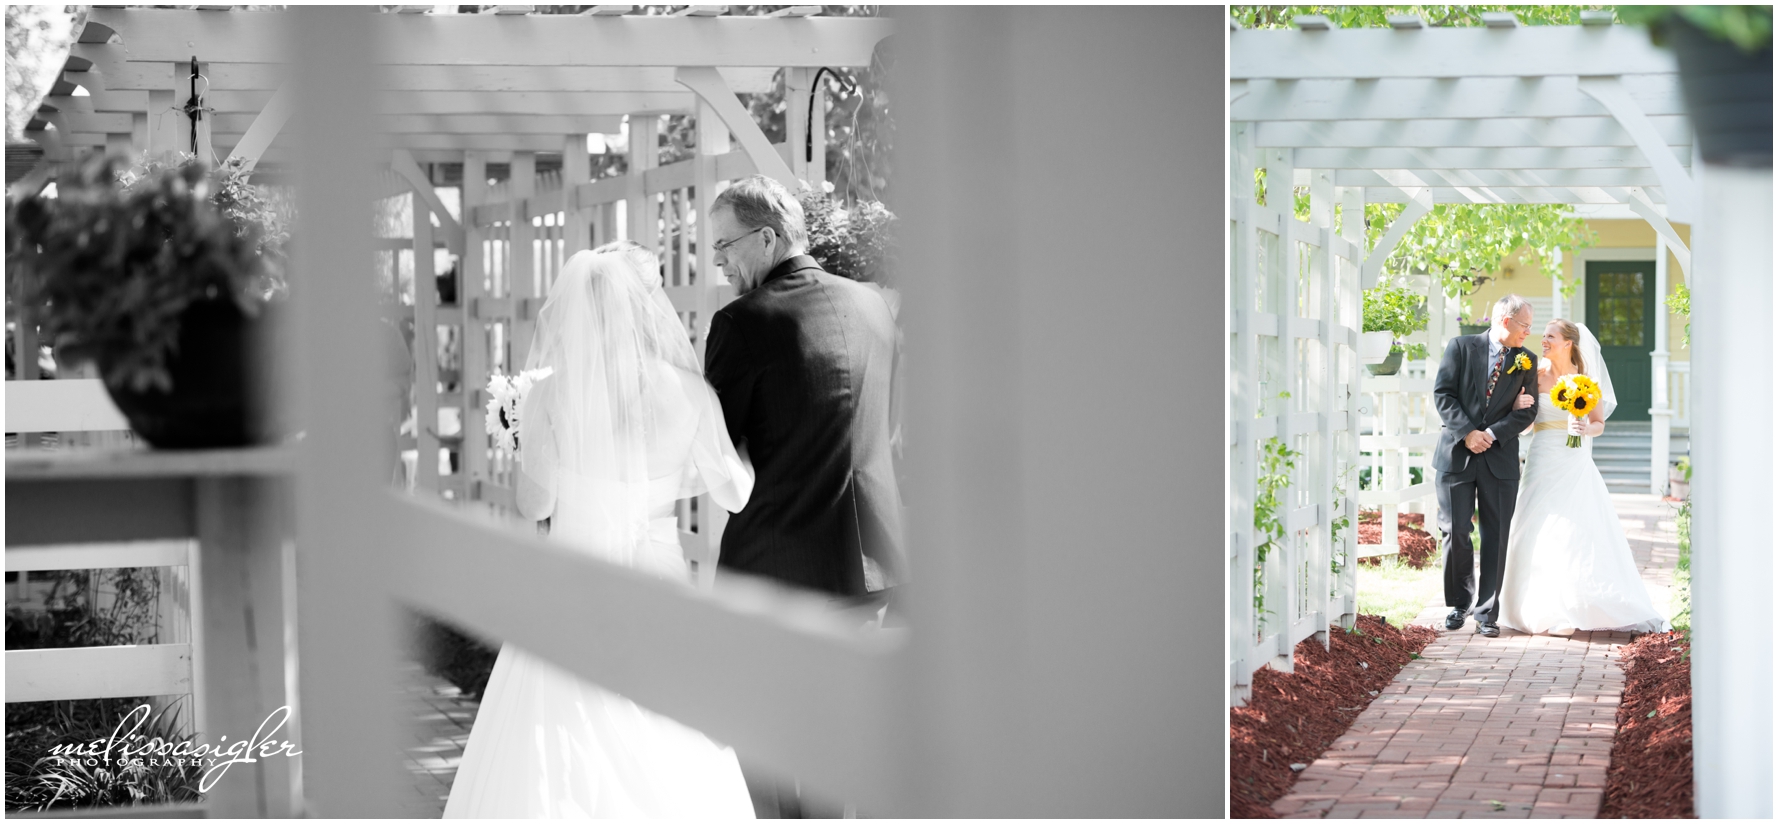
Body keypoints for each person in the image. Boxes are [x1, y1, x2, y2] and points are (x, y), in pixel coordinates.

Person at [443, 242, 756, 818]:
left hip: (572, 582)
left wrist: (533, 451)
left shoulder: (549, 396)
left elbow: (533, 504)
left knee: (556, 737)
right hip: (658, 580)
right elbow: (735, 493)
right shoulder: (691, 393)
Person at [702, 175, 905, 816]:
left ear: (765, 238)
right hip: (866, 570)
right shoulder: (875, 307)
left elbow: (718, 453)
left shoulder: (741, 324)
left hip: (773, 574)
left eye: (724, 245)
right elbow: (887, 428)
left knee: (765, 760)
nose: (719, 262)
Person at [1496, 319, 1670, 636]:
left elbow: (1598, 423)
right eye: (1544, 336)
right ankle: (1533, 606)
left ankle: (1569, 607)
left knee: (1573, 528)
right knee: (1534, 523)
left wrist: (1584, 429)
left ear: (1568, 343)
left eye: (1550, 336)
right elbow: (1523, 424)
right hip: (1542, 456)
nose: (1543, 340)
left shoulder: (1586, 380)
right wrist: (1518, 406)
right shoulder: (1534, 374)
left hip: (1574, 459)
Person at [1432, 294, 1541, 638]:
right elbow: (1443, 394)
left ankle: (1487, 613)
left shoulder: (1527, 360)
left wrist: (1491, 434)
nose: (1529, 332)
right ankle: (1458, 605)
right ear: (1505, 321)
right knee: (1456, 531)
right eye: (1525, 325)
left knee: (1496, 536)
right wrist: (1468, 433)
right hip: (1456, 455)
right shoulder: (1461, 347)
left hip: (1499, 459)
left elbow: (1528, 411)